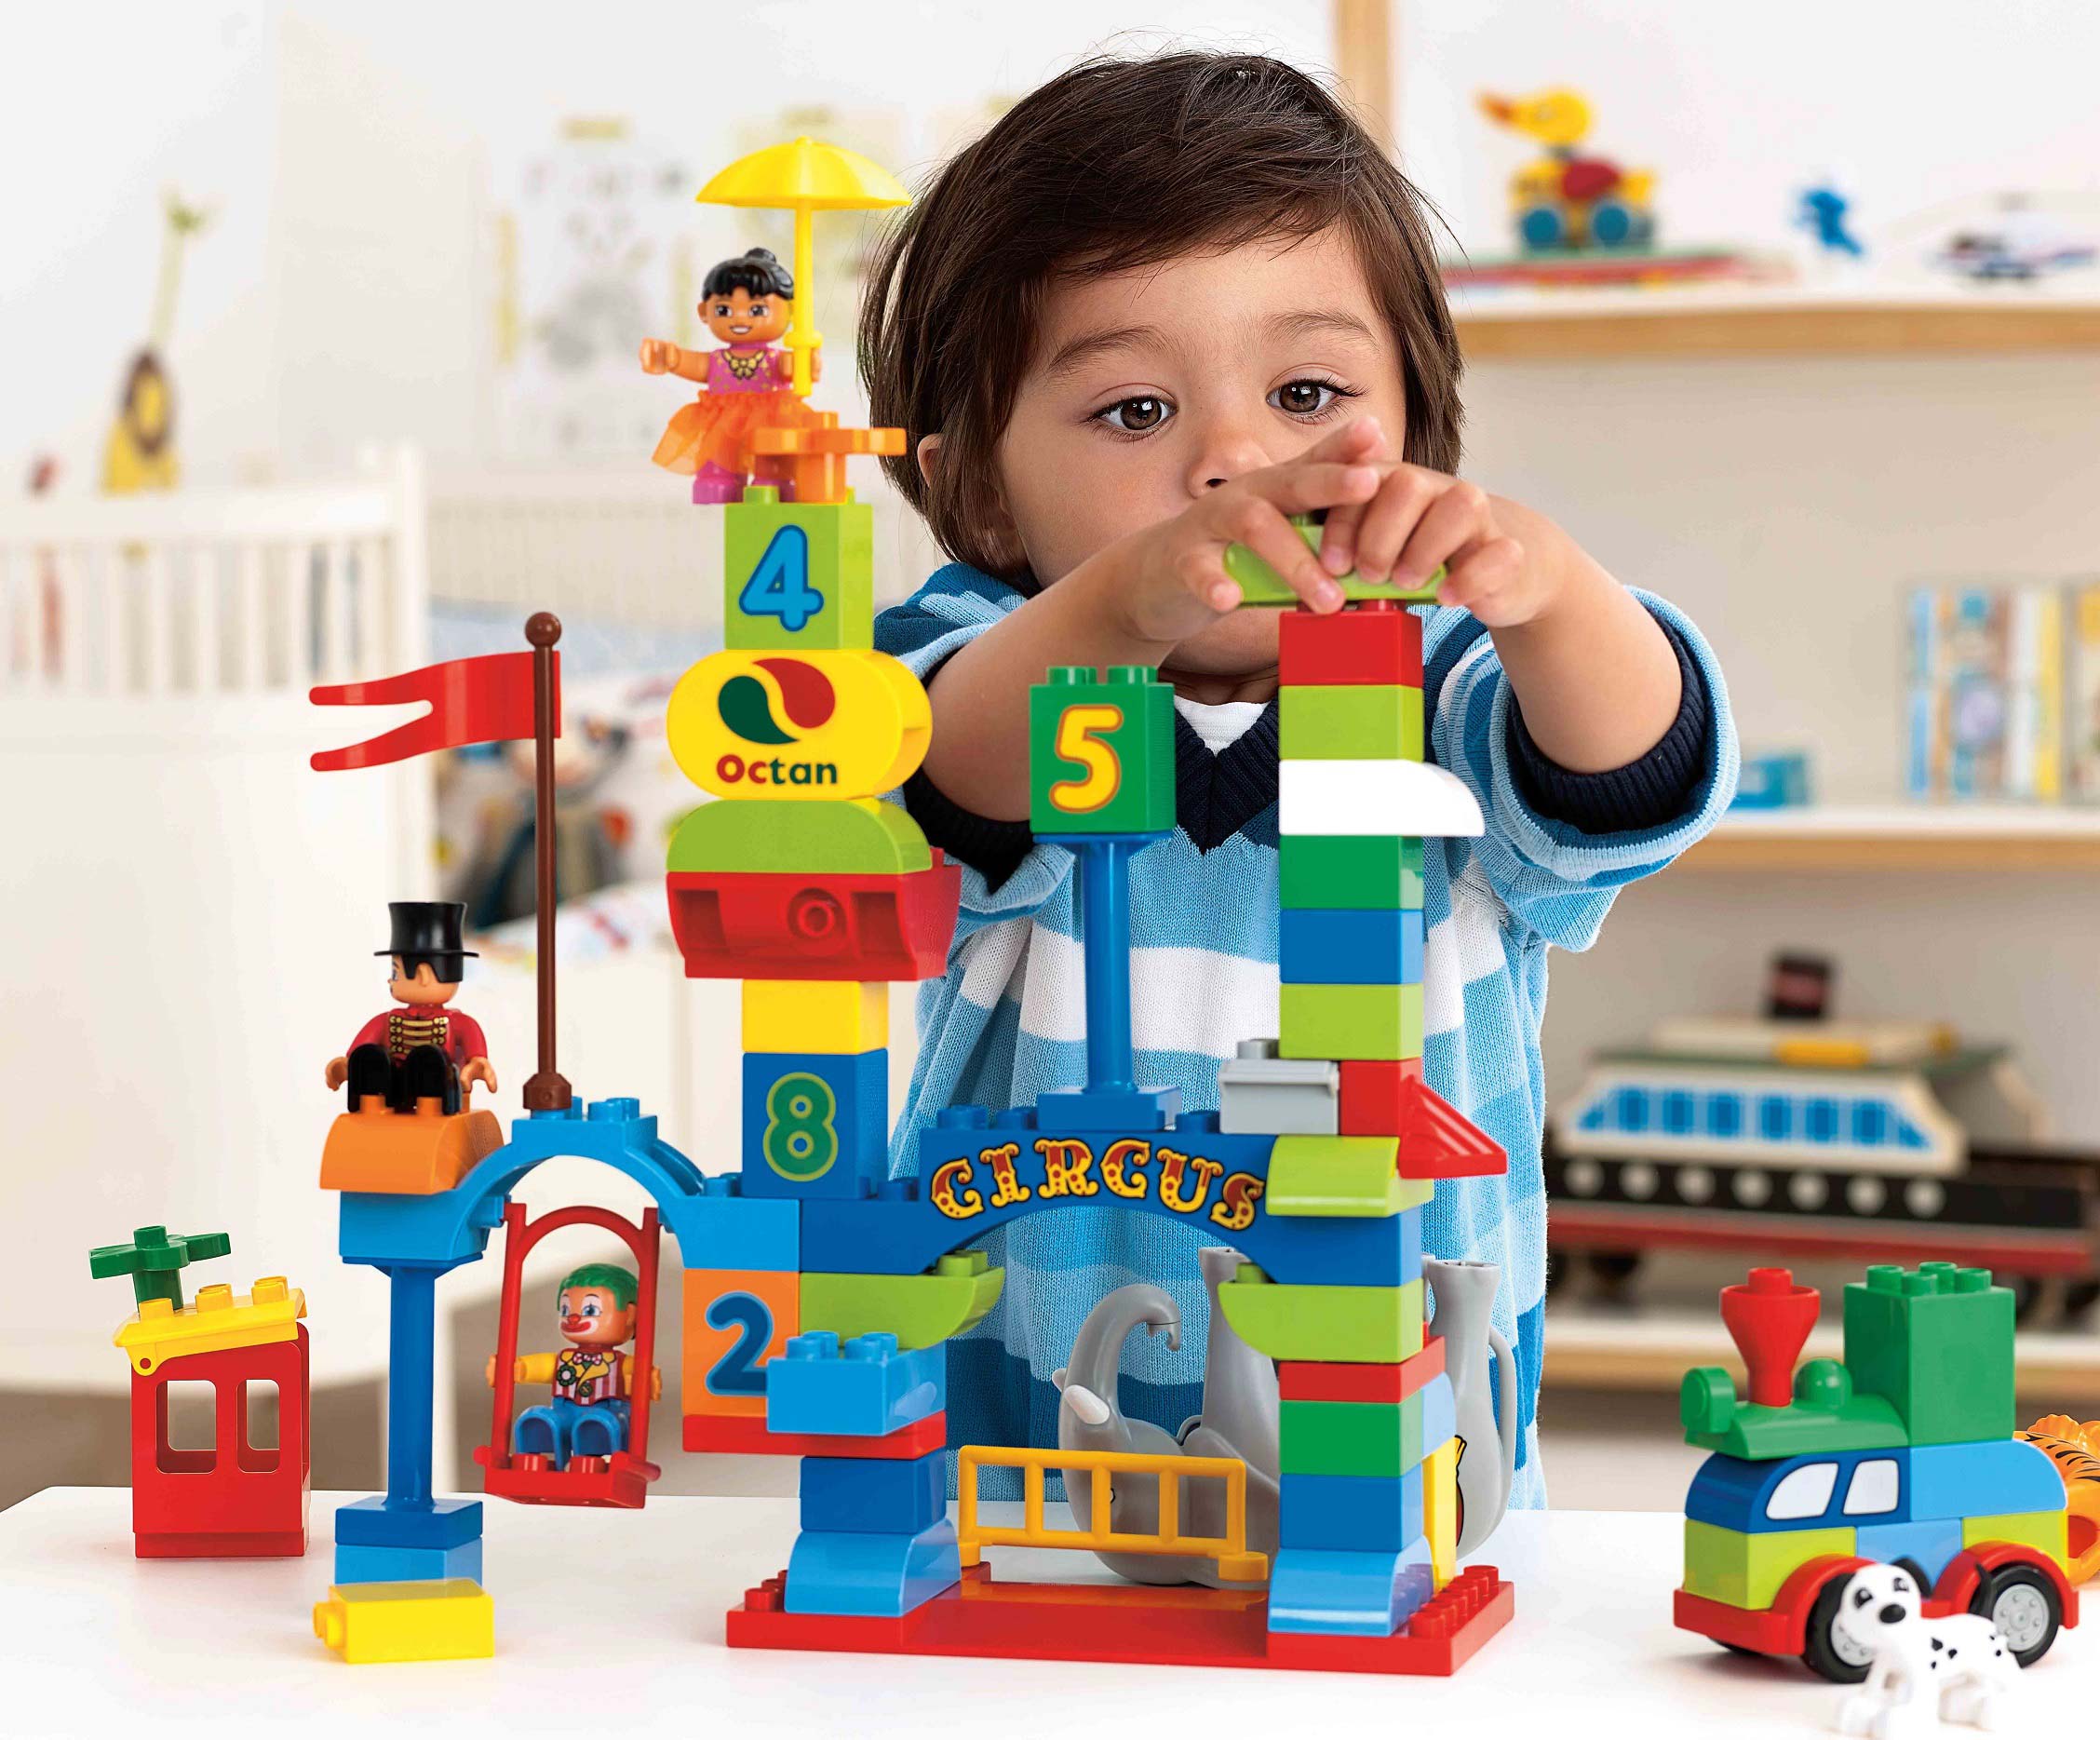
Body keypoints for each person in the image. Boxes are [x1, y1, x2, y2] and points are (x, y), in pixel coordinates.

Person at [858, 52, 1738, 1504]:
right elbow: (954, 769)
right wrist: (1119, 608)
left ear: (1416, 431)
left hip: (1399, 1415)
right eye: (1134, 413)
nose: (1236, 459)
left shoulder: (1444, 677)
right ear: (980, 489)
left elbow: (1630, 773)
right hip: (1031, 1427)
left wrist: (1554, 594)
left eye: (1307, 389)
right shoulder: (985, 659)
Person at [639, 247, 826, 503]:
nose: (739, 318)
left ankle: (771, 480)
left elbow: (794, 368)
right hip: (722, 422)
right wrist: (673, 359)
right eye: (724, 310)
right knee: (718, 453)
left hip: (768, 421)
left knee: (770, 454)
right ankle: (719, 478)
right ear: (704, 312)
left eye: (757, 310)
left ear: (791, 313)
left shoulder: (774, 360)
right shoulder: (717, 360)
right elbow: (696, 364)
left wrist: (804, 363)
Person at [325, 901, 495, 1116]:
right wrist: (349, 1064)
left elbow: (476, 1055)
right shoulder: (385, 1021)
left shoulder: (460, 1023)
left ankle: (428, 1102)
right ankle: (371, 1099)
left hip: (437, 1090)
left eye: (396, 973)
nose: (390, 980)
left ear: (422, 975)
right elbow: (361, 1051)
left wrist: (477, 1064)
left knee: (430, 1060)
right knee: (371, 1056)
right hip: (390, 1086)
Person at [490, 1263, 659, 1472]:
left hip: (608, 1412)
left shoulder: (622, 1363)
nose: (573, 1317)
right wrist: (515, 1369)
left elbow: (642, 1377)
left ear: (630, 1315)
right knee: (537, 1417)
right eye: (565, 1309)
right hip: (564, 1411)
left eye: (590, 1310)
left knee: (598, 1423)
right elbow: (540, 1367)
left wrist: (644, 1382)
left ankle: (591, 1462)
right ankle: (531, 1459)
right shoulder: (564, 1358)